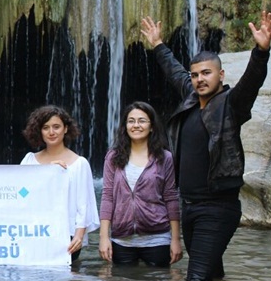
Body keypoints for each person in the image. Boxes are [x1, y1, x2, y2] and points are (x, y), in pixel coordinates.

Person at [140, 11, 271, 281]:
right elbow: (174, 71)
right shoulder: (189, 100)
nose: (199, 79)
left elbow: (251, 83)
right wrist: (157, 44)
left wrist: (261, 51)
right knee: (211, 276)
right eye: (195, 75)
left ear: (220, 74)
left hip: (217, 208)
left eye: (206, 73)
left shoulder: (231, 104)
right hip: (188, 205)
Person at [98, 101, 183, 267]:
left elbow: (171, 198)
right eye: (131, 121)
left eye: (142, 121)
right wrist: (103, 237)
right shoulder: (113, 157)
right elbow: (107, 197)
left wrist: (175, 239)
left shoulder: (164, 157)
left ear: (151, 127)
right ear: (125, 126)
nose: (136, 125)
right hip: (122, 239)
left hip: (158, 238)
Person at [20, 105, 99, 261]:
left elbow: (83, 203)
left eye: (56, 127)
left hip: (67, 235)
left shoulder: (79, 164)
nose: (51, 132)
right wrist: (48, 173)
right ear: (39, 131)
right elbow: (21, 194)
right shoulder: (29, 160)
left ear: (66, 129)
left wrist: (79, 235)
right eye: (46, 128)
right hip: (34, 232)